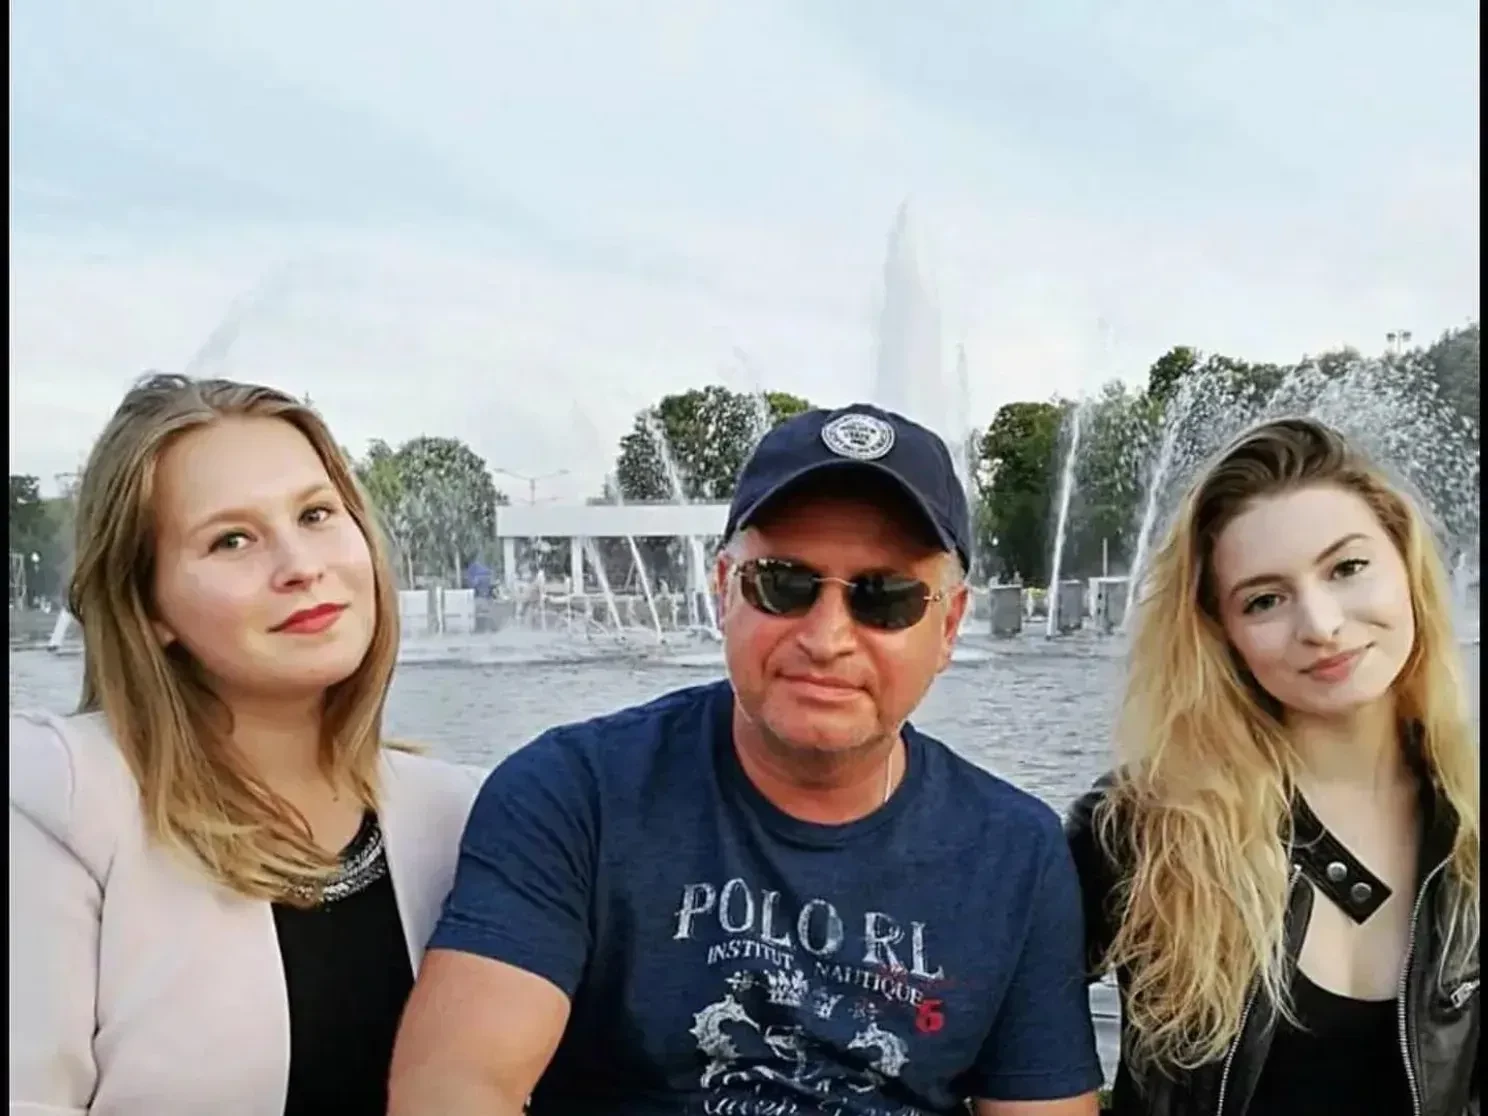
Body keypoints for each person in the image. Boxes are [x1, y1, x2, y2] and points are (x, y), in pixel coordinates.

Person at [389, 404, 1104, 1116]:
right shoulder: (573, 796)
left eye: (884, 598)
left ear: (947, 626)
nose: (826, 638)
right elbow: (456, 1086)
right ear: (723, 591)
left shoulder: (1015, 853)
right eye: (782, 584)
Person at [9, 374, 483, 1116]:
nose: (301, 566)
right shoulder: (59, 802)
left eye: (317, 514)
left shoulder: (464, 814)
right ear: (148, 605)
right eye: (232, 539)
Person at [1066, 417, 1480, 1115]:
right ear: (1221, 635)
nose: (1320, 624)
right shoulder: (1142, 829)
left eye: (1347, 568)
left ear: (1407, 565)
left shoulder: (1471, 819)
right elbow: (980, 1023)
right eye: (1264, 600)